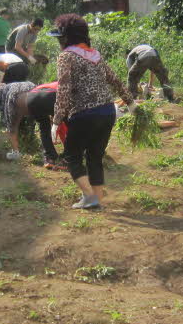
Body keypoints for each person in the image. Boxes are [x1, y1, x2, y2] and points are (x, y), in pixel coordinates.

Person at [53, 13, 131, 210]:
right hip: (107, 112)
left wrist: (56, 121)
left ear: (65, 38)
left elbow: (63, 90)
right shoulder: (95, 55)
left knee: (71, 155)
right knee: (95, 156)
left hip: (84, 114)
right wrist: (131, 103)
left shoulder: (66, 57)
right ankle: (96, 201)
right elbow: (114, 79)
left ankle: (90, 196)